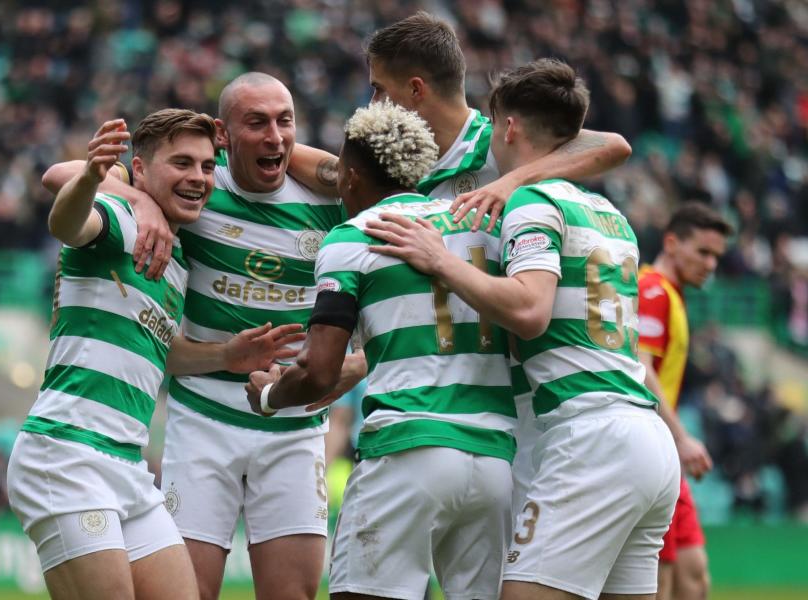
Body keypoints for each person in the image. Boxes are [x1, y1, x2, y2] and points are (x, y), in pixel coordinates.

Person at [288, 11, 633, 516]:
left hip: (519, 401)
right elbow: (328, 170)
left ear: (415, 90)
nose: (373, 104)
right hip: (442, 393)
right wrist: (238, 136)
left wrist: (511, 181)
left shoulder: (498, 147)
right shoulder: (398, 167)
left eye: (379, 90)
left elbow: (612, 145)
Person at [365, 59, 680, 600]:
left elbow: (531, 310)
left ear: (507, 128)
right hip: (646, 437)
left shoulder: (532, 201)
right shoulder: (609, 214)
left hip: (587, 435)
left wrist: (442, 261)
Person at [43, 72, 364, 600]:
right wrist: (140, 201)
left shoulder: (330, 203)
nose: (275, 136)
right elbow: (60, 174)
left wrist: (360, 360)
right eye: (256, 122)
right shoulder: (198, 192)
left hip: (293, 422)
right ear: (222, 132)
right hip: (202, 420)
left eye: (284, 122)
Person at [9, 110, 303, 600]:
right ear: (139, 170)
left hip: (128, 465)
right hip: (66, 453)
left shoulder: (175, 260)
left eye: (208, 167)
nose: (198, 178)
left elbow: (161, 353)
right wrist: (93, 176)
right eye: (182, 163)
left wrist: (227, 355)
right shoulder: (121, 219)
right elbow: (66, 221)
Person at [246, 99, 516, 600]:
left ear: (348, 177)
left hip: (408, 450)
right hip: (495, 459)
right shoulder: (483, 227)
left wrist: (268, 396)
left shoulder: (353, 237)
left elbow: (318, 372)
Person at [638, 202, 731, 600]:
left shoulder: (671, 295)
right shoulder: (653, 291)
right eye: (703, 252)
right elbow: (639, 367)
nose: (711, 264)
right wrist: (682, 437)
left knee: (694, 578)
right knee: (663, 581)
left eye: (716, 256)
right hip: (653, 449)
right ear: (672, 242)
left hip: (667, 453)